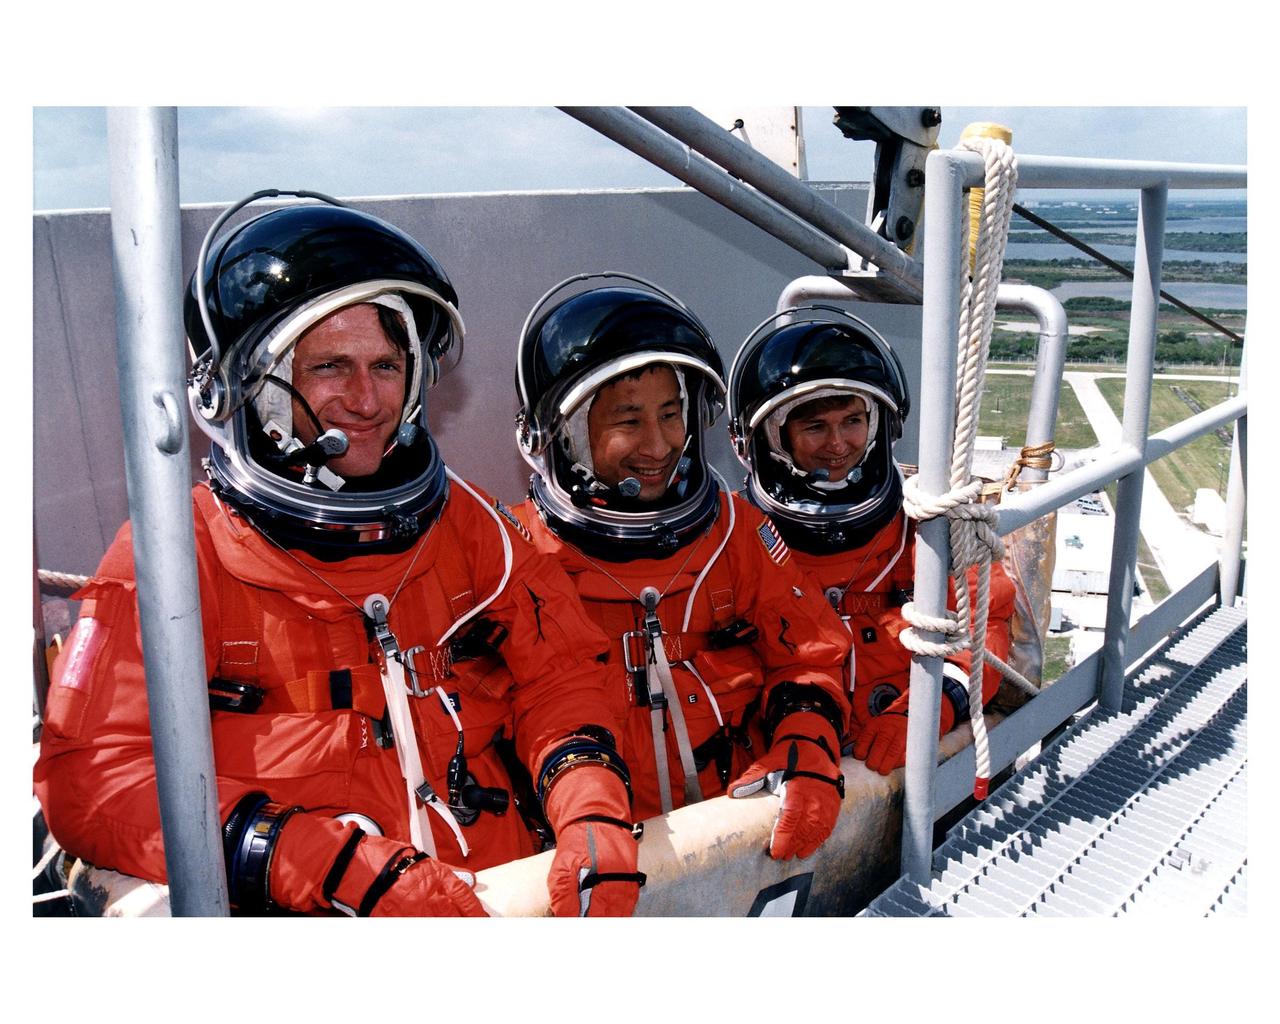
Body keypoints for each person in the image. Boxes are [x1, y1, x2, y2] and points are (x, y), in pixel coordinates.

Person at [34, 194, 644, 918]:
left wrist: (591, 808)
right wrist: (326, 863)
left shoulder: (471, 523)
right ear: (250, 386)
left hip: (500, 894)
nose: (366, 399)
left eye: (386, 364)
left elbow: (564, 678)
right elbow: (92, 780)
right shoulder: (175, 555)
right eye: (329, 366)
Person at [511, 274, 852, 861]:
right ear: (566, 435)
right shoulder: (517, 553)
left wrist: (807, 739)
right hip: (591, 840)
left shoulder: (734, 531)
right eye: (627, 419)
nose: (658, 444)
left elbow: (809, 653)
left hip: (735, 826)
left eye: (671, 414)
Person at [728, 305, 1015, 775]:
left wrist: (930, 709)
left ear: (879, 422)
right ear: (774, 439)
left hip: (907, 747)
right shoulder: (737, 536)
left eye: (853, 421)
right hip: (793, 757)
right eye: (814, 426)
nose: (838, 444)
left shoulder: (929, 518)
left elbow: (986, 626)